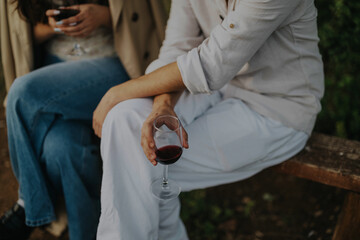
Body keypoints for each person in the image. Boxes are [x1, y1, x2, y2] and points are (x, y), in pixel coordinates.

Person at [92, 0, 324, 239]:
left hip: (276, 108)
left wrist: (117, 93)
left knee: (138, 160)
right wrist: (163, 104)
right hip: (221, 89)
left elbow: (211, 64)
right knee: (125, 118)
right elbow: (177, 48)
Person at [0, 0, 166, 239]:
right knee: (62, 149)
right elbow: (22, 36)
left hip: (114, 63)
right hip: (55, 67)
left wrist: (103, 16)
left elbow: (141, 18)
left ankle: (28, 204)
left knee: (23, 92)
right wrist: (55, 26)